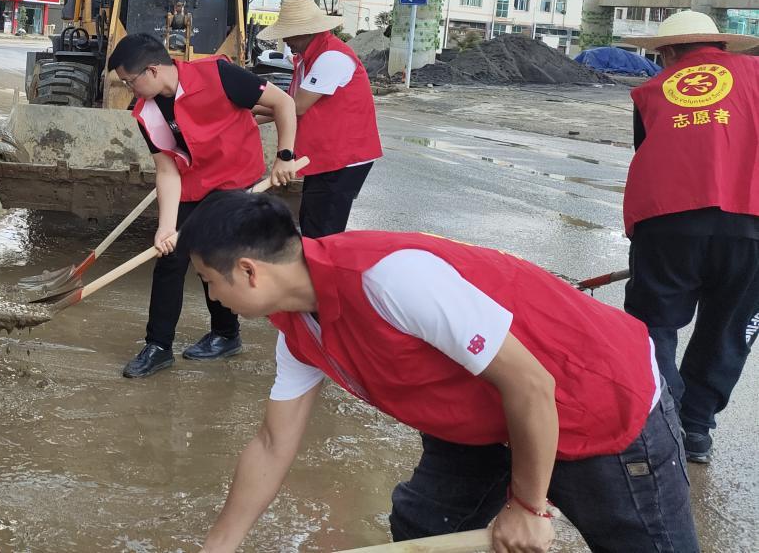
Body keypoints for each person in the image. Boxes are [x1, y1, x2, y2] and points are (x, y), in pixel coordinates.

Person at [180, 192, 698, 553]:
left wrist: (528, 505)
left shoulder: (390, 278)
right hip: (483, 417)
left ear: (249, 271)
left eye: (208, 280)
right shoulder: (298, 328)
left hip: (594, 402)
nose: (211, 295)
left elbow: (532, 383)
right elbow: (273, 444)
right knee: (425, 530)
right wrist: (219, 546)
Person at [109, 33, 298, 378]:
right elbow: (167, 171)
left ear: (151, 71)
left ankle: (226, 334)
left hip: (235, 179)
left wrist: (285, 156)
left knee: (216, 256)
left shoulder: (220, 75)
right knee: (169, 258)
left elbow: (283, 103)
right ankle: (158, 346)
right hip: (193, 182)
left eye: (129, 81)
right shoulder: (146, 112)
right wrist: (166, 228)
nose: (129, 89)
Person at [619, 9, 759, 465]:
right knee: (728, 329)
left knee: (654, 324)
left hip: (667, 221)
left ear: (671, 52)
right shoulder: (756, 75)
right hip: (751, 224)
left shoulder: (650, 91)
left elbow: (651, 150)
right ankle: (695, 428)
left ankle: (662, 421)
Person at [256, 0, 381, 237]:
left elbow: (297, 106)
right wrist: (249, 118)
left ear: (305, 31)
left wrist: (253, 110)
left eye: (289, 34)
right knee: (312, 218)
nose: (285, 40)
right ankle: (316, 268)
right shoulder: (307, 58)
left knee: (323, 230)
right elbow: (286, 105)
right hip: (325, 153)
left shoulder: (332, 57)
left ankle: (324, 272)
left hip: (344, 157)